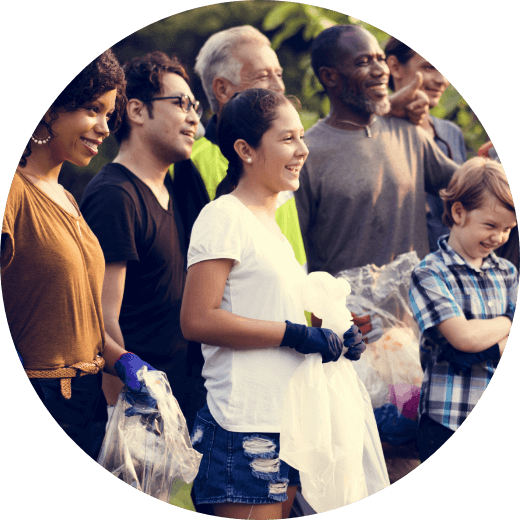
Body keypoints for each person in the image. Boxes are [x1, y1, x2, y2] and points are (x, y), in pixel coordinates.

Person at [180, 88, 366, 520]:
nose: (302, 150)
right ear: (245, 149)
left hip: (288, 421)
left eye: (301, 137)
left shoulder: (271, 226)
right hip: (245, 428)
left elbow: (270, 313)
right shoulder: (224, 215)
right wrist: (298, 335)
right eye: (287, 139)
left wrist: (335, 338)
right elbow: (197, 319)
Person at [1, 49, 157, 461]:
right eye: (93, 109)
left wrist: (124, 361)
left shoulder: (69, 197)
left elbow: (77, 320)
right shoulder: (15, 193)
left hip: (86, 409)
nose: (105, 127)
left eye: (109, 114)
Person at [80, 52, 207, 434]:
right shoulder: (115, 196)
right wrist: (126, 418)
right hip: (136, 413)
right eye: (181, 103)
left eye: (195, 106)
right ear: (136, 110)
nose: (193, 118)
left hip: (172, 403)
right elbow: (102, 322)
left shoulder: (174, 188)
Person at [295, 25, 460, 276]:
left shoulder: (408, 132)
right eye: (363, 62)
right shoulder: (306, 155)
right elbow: (294, 251)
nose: (381, 71)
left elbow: (467, 186)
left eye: (380, 59)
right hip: (347, 313)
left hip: (415, 309)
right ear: (330, 77)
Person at [408, 156, 517, 461]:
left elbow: (471, 341)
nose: (499, 237)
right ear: (459, 212)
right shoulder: (430, 273)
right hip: (446, 420)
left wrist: (484, 344)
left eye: (508, 229)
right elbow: (464, 338)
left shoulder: (507, 272)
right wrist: (508, 319)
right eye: (491, 225)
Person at [385, 36, 468, 253]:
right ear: (394, 66)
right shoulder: (378, 133)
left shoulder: (451, 133)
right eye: (429, 67)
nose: (442, 80)